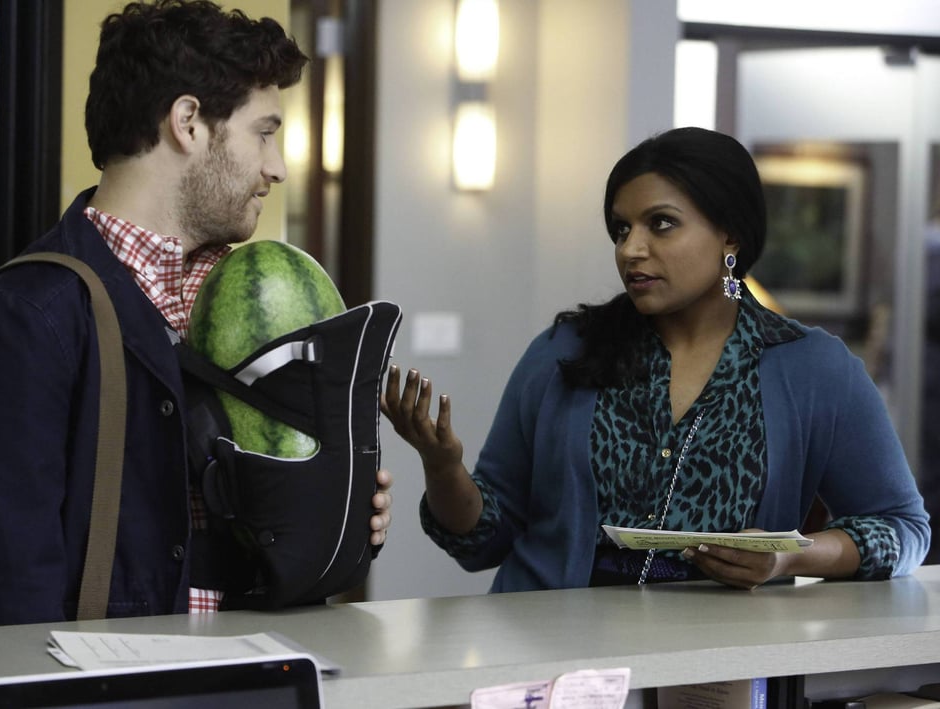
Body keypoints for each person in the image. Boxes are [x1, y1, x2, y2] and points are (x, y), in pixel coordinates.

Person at [0, 0, 391, 627]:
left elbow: (245, 542)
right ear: (189, 122)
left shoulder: (237, 304)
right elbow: (5, 607)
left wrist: (326, 509)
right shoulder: (25, 320)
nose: (276, 168)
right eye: (264, 132)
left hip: (256, 677)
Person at [382, 127, 929, 591]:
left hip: (719, 661)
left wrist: (790, 557)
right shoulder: (563, 351)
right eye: (622, 229)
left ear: (729, 234)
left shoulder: (814, 368)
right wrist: (443, 466)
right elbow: (482, 541)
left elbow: (905, 531)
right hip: (552, 652)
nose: (630, 249)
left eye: (660, 223)